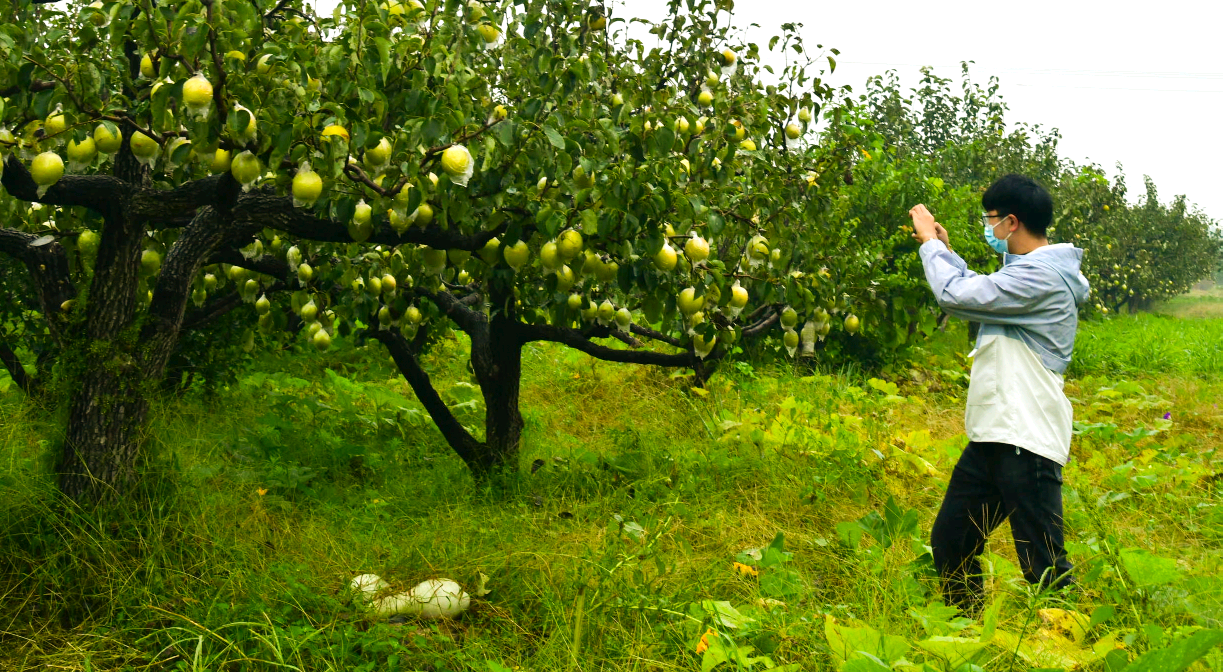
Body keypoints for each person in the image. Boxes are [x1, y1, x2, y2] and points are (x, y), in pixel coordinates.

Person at [908, 174, 1090, 616]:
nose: (987, 228)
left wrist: (930, 244)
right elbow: (983, 291)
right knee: (952, 541)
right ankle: (966, 635)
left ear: (1012, 222)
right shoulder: (1026, 274)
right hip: (994, 435)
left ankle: (1073, 653)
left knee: (1044, 565)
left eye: (990, 220)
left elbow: (957, 294)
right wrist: (948, 253)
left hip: (1025, 438)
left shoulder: (1041, 278)